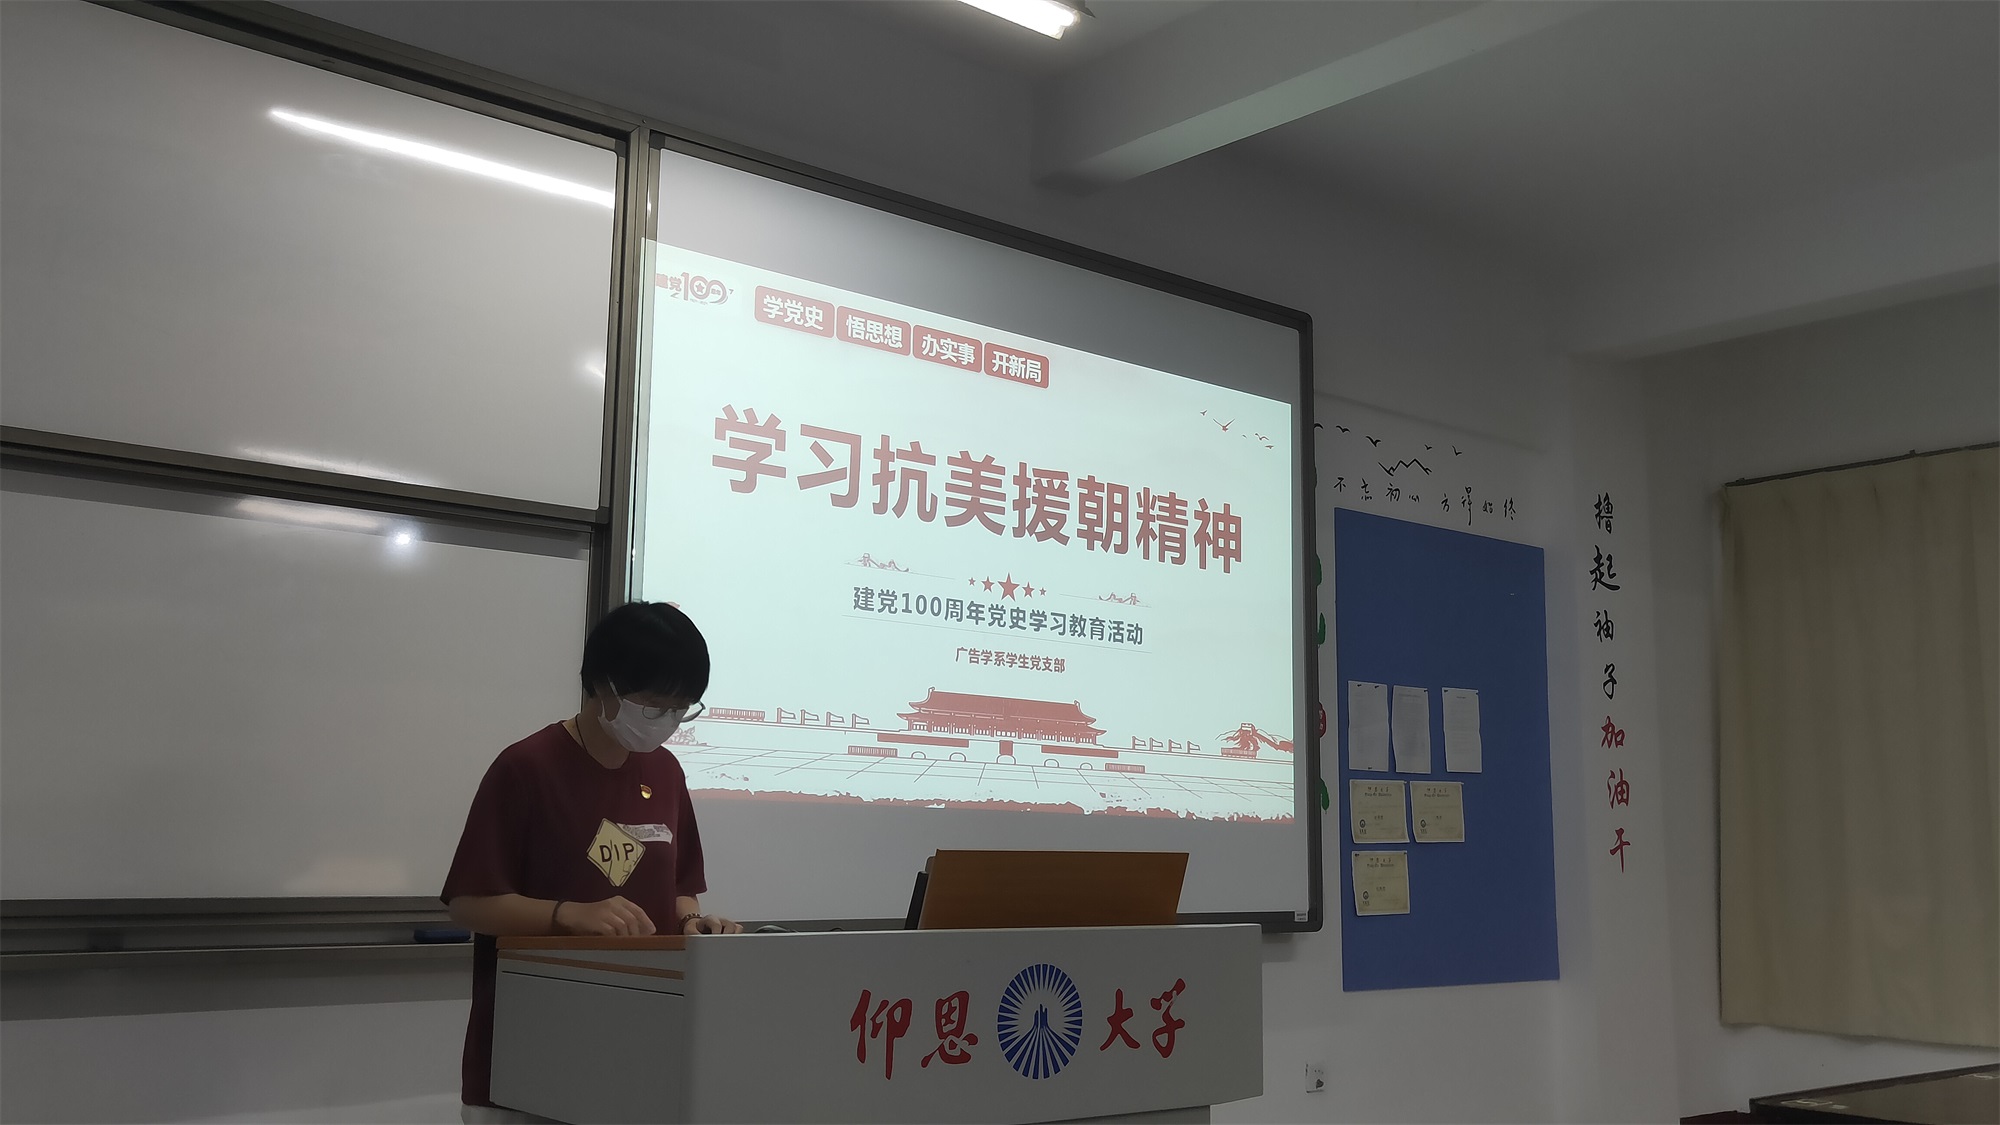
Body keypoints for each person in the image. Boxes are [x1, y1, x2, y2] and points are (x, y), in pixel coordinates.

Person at [442, 601, 741, 1121]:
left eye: (681, 709)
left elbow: (678, 887)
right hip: (532, 1048)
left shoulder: (666, 772)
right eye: (654, 707)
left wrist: (692, 922)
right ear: (604, 685)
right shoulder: (527, 767)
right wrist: (567, 915)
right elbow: (468, 904)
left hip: (640, 1042)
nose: (667, 724)